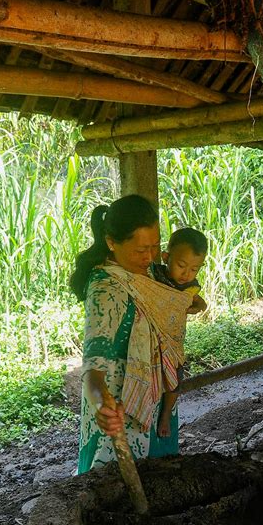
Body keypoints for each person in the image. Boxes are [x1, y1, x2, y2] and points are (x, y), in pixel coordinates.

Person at [70, 194, 184, 474]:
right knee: (113, 488)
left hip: (156, 397)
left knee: (161, 480)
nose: (149, 257)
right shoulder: (106, 288)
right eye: (140, 250)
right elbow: (92, 367)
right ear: (112, 242)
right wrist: (101, 405)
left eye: (155, 247)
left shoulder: (152, 274)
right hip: (121, 405)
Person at [152, 228, 208, 438]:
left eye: (194, 269)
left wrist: (199, 305)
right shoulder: (153, 276)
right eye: (181, 265)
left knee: (175, 380)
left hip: (174, 343)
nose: (187, 274)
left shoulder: (190, 288)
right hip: (151, 341)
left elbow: (194, 304)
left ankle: (165, 414)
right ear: (166, 258)